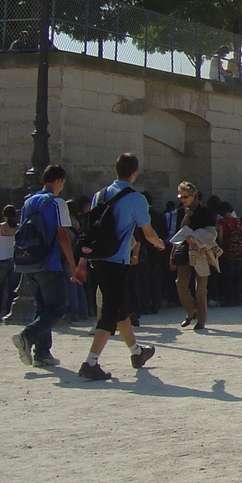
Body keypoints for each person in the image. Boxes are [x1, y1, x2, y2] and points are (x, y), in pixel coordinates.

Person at [71, 153, 166, 380]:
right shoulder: (136, 199)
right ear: (134, 172)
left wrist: (83, 262)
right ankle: (90, 362)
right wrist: (160, 243)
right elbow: (148, 232)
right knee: (110, 311)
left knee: (120, 308)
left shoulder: (99, 195)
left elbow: (90, 231)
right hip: (117, 261)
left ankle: (137, 352)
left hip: (97, 260)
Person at [10, 166, 74, 366]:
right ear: (59, 181)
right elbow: (62, 235)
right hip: (50, 262)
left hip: (30, 262)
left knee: (42, 308)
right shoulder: (57, 203)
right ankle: (27, 337)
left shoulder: (29, 202)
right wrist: (72, 263)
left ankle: (42, 353)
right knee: (57, 308)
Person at [170, 182, 219, 329]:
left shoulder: (204, 212)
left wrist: (196, 237)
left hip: (201, 253)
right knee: (181, 283)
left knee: (201, 288)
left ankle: (202, 319)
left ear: (194, 196)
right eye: (180, 196)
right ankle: (191, 311)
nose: (183, 199)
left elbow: (212, 233)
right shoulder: (180, 212)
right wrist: (172, 254)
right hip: (184, 251)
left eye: (186, 196)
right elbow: (177, 235)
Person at [0, 205, 20, 323]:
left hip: (2, 260)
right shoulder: (18, 227)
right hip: (14, 261)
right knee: (12, 290)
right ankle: (9, 313)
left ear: (4, 215)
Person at [216, 201, 242, 306]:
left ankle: (229, 299)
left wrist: (220, 248)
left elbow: (220, 238)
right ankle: (239, 298)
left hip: (227, 252)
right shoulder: (238, 221)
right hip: (239, 252)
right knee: (237, 276)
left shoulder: (222, 222)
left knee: (227, 277)